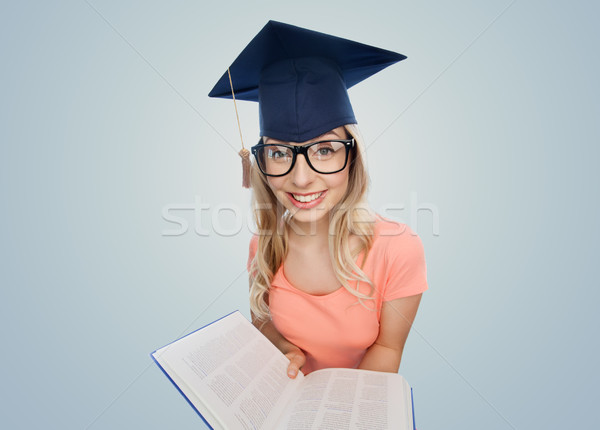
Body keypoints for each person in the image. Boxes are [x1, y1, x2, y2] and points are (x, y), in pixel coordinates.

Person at [209, 21, 428, 379]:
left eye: (324, 150)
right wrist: (281, 347)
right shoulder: (263, 245)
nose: (300, 178)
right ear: (260, 162)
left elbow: (388, 349)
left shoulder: (398, 248)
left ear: (353, 155)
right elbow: (262, 322)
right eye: (279, 153)